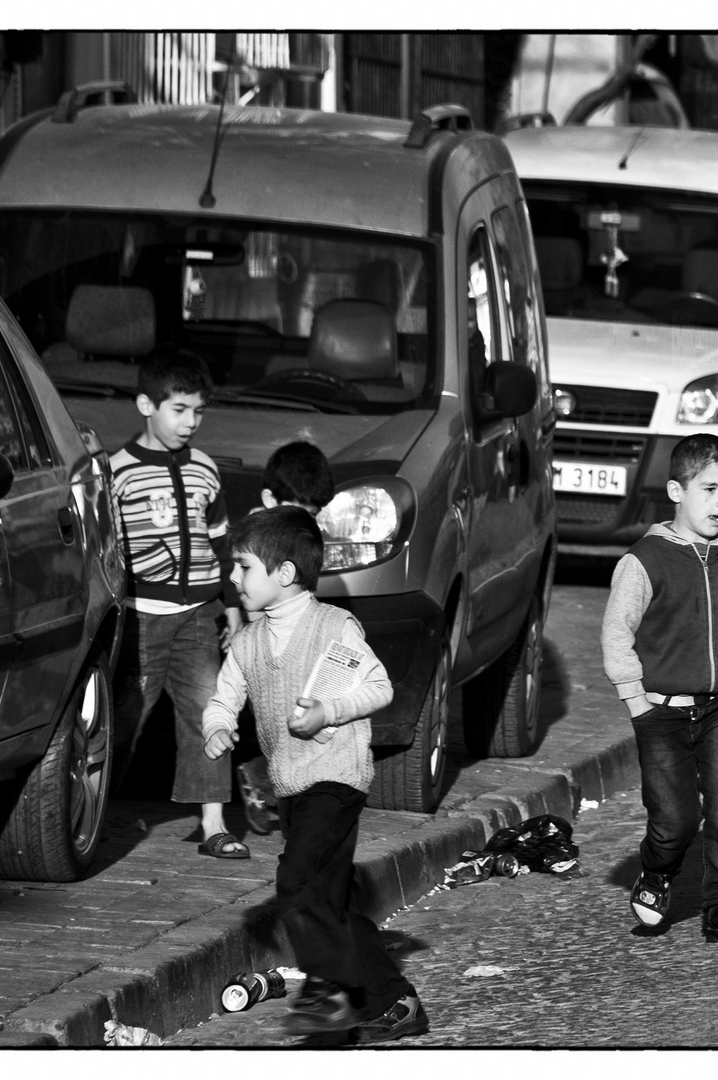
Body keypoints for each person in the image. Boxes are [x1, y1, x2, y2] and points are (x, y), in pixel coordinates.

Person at [202, 507, 429, 1043]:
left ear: (284, 574)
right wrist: (217, 726)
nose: (233, 578)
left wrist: (328, 712)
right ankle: (395, 1003)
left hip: (335, 775)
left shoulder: (333, 627)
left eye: (243, 567)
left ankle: (327, 991)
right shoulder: (249, 641)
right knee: (328, 902)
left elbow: (379, 687)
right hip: (290, 783)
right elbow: (225, 694)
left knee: (297, 883)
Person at [600, 434, 718, 943]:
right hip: (660, 712)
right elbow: (616, 634)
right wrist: (637, 703)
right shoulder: (643, 561)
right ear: (675, 491)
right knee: (675, 820)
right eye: (709, 490)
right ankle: (657, 873)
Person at [110, 352, 245, 859]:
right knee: (124, 717)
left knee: (210, 711)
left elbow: (221, 543)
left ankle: (213, 824)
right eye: (180, 409)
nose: (190, 422)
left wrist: (230, 605)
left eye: (199, 411)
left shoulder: (205, 469)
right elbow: (111, 552)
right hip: (143, 617)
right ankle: (87, 812)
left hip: (197, 616)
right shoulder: (117, 474)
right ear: (147, 404)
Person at [236, 441, 339, 836]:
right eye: (301, 512)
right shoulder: (255, 535)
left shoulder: (294, 533)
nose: (307, 522)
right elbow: (245, 594)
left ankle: (269, 784)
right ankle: (265, 783)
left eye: (313, 515)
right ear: (268, 500)